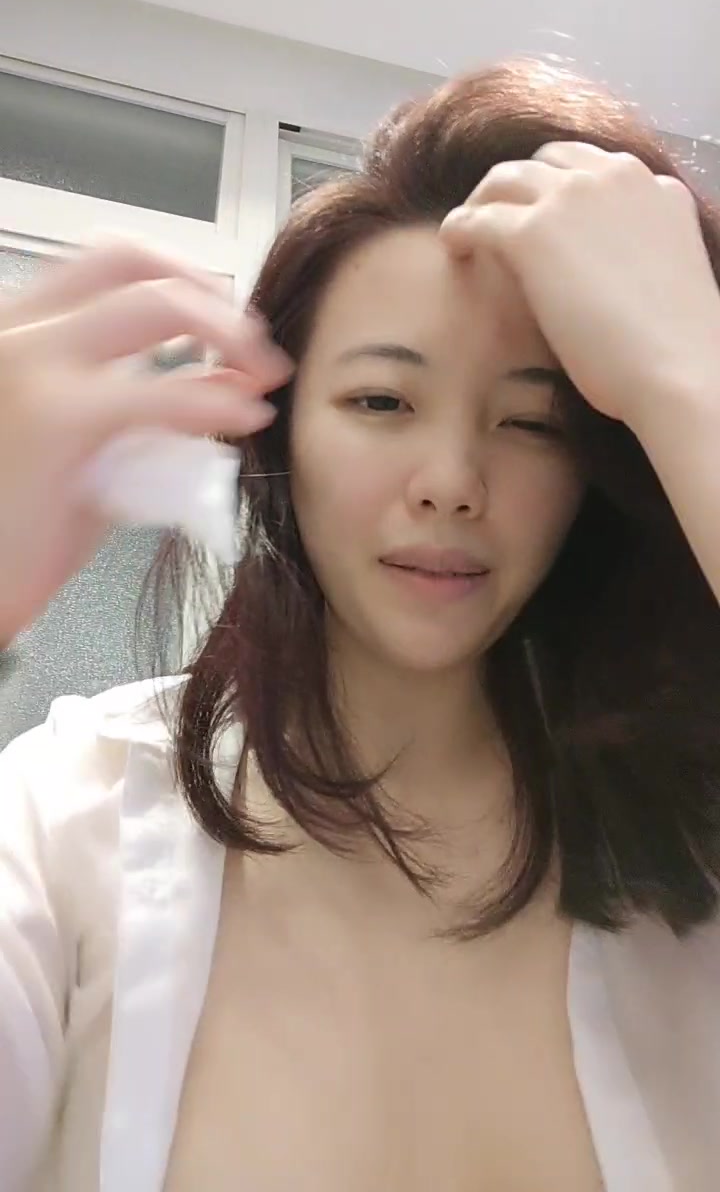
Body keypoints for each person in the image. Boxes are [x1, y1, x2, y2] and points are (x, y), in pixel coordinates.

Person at [1, 57, 720, 1192]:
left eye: (533, 423)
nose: (452, 482)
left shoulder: (687, 859)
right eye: (383, 401)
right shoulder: (66, 817)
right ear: (279, 433)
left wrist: (692, 380)